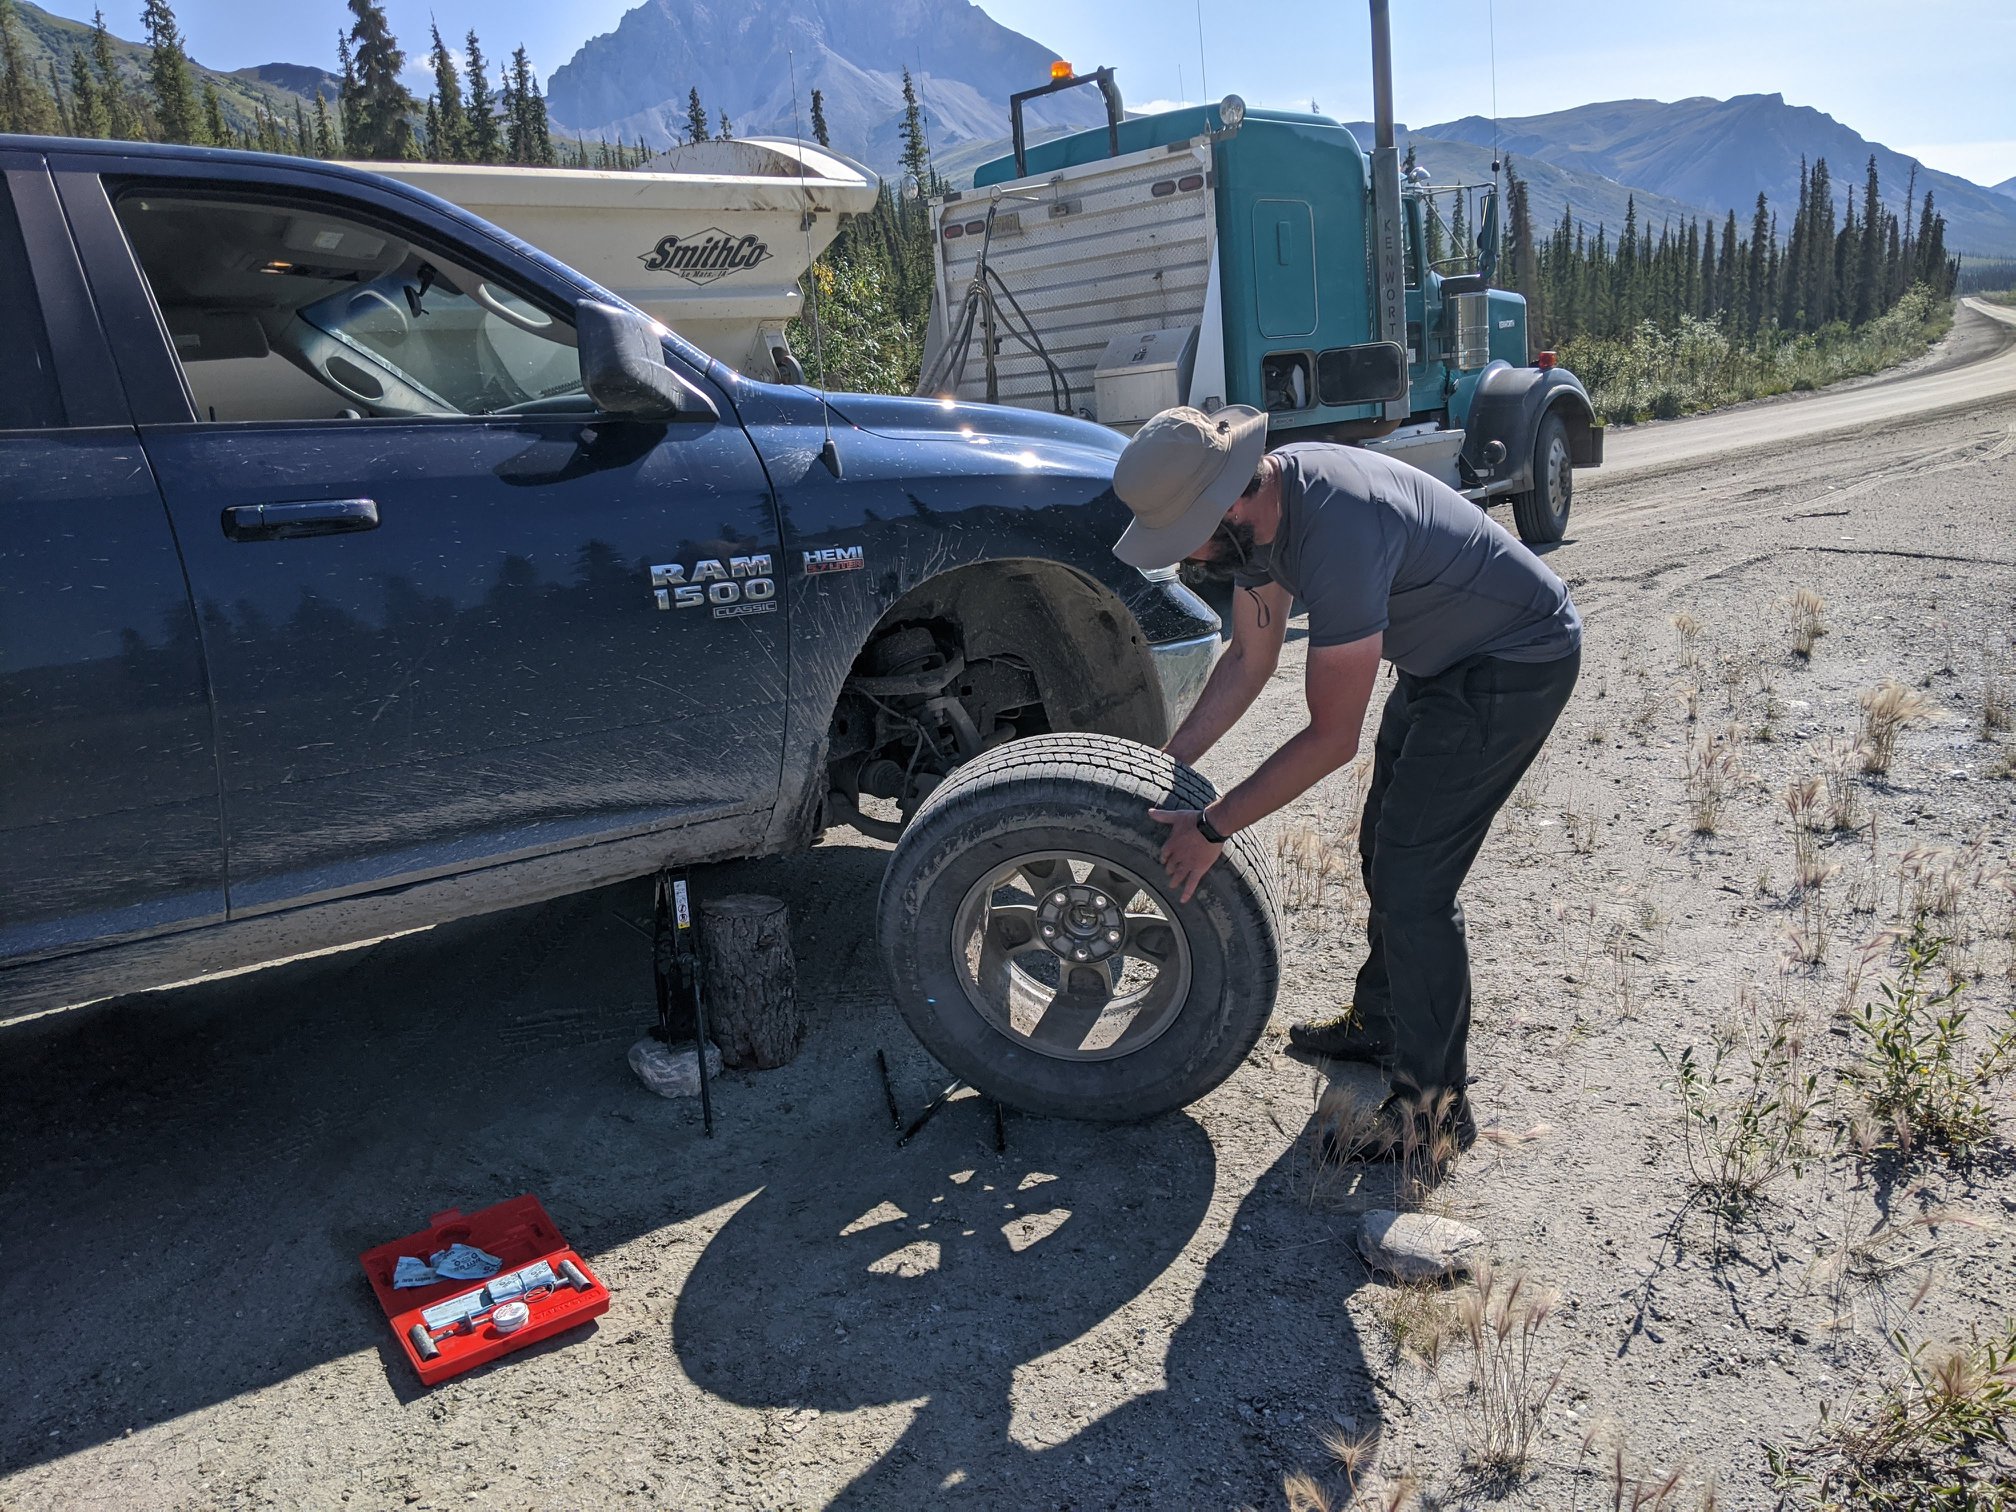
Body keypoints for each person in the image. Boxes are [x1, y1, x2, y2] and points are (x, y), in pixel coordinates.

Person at [1110, 404, 1582, 1162]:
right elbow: (1247, 662)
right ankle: (1383, 1025)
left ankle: (1432, 1116)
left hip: (1514, 661)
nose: (1185, 558)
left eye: (1183, 537)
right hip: (1443, 662)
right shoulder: (1260, 523)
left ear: (1226, 502)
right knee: (1382, 848)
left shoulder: (1337, 528)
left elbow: (1332, 739)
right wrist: (1171, 767)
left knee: (1414, 884)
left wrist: (1211, 829)